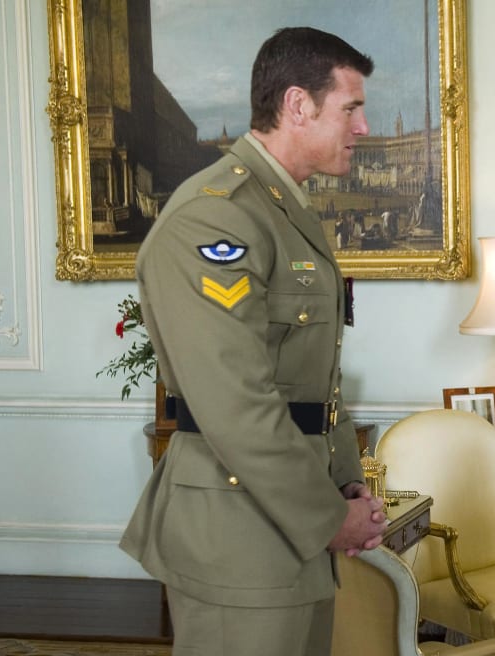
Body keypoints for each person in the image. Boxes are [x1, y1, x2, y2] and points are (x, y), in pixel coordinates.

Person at [119, 27, 387, 656]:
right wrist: (328, 516)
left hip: (289, 529)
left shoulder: (280, 210)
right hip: (239, 540)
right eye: (351, 107)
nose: (363, 127)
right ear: (299, 105)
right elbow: (235, 402)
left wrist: (345, 484)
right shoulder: (217, 217)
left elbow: (315, 381)